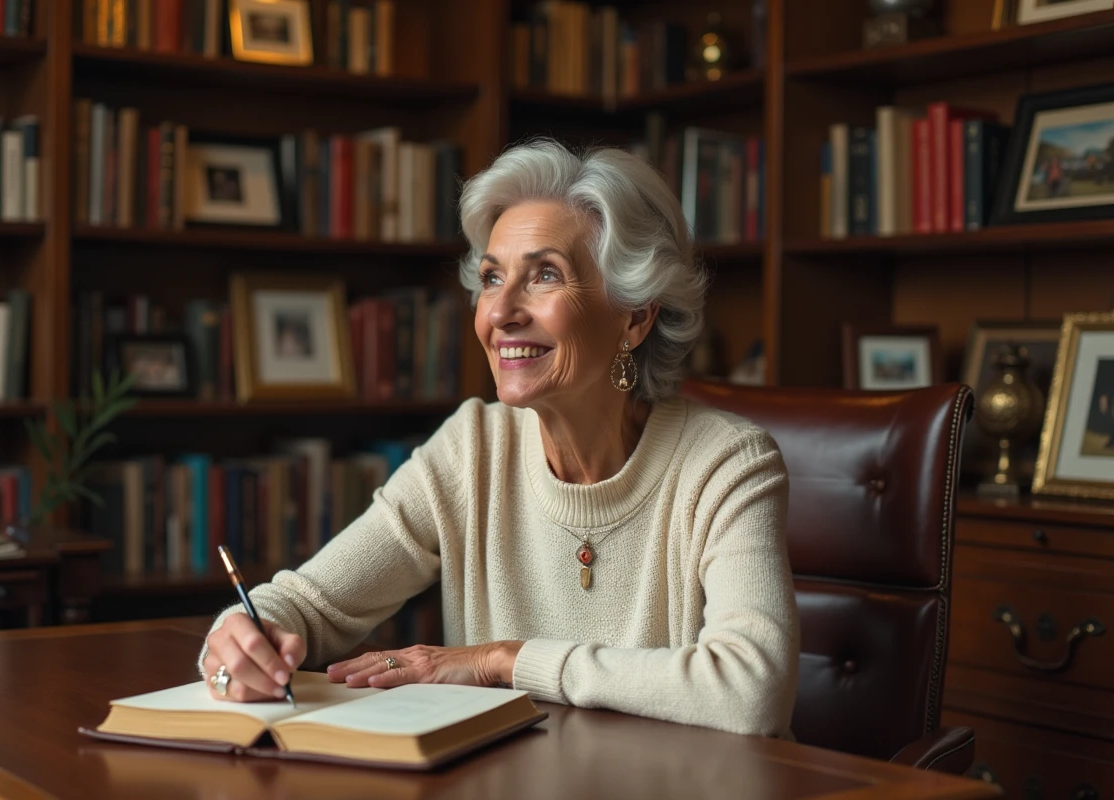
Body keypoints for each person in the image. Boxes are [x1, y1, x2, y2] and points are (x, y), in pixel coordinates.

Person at [199, 139, 800, 737]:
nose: (501, 312)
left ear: (635, 314)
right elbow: (312, 605)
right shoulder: (472, 448)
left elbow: (751, 692)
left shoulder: (726, 465)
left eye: (544, 275)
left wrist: (503, 661)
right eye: (491, 278)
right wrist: (239, 638)